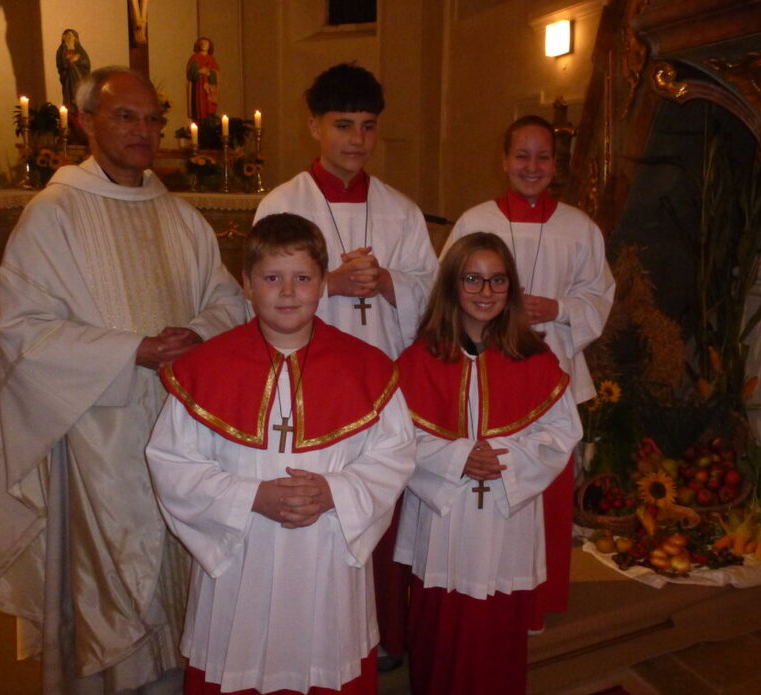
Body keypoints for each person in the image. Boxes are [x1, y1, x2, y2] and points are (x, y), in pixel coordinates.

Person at [0, 66, 248, 695]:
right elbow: (24, 331)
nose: (144, 130)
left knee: (183, 571)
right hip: (98, 431)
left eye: (153, 118)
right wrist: (134, 350)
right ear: (85, 122)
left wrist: (196, 335)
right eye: (125, 116)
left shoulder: (180, 216)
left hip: (181, 423)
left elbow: (225, 299)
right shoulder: (53, 215)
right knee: (116, 581)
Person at [145, 213, 417, 694]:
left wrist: (336, 492)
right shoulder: (203, 370)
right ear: (247, 285)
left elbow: (393, 455)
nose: (288, 292)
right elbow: (173, 464)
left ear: (321, 284)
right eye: (272, 278)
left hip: (328, 552)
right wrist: (251, 496)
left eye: (303, 278)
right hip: (242, 552)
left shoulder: (368, 369)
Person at [253, 62, 438, 669]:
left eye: (367, 126)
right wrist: (327, 282)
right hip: (306, 384)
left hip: (380, 381)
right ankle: (308, 638)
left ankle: (380, 635)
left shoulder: (401, 210)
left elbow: (431, 293)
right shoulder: (283, 203)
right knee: (317, 504)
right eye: (342, 125)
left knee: (374, 501)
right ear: (313, 125)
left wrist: (388, 282)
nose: (356, 139)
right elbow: (262, 289)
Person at [440, 115, 615, 630]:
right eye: (522, 156)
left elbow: (599, 294)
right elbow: (449, 289)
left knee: (547, 494)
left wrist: (558, 308)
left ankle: (536, 602)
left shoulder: (579, 227)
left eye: (543, 157)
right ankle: (487, 595)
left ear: (555, 164)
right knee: (492, 490)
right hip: (485, 380)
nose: (532, 167)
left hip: (551, 375)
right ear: (504, 160)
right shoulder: (474, 221)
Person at [394, 232, 582, 695]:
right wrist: (457, 457)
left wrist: (505, 460)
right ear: (452, 286)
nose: (484, 292)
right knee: (440, 628)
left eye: (497, 280)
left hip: (506, 514)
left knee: (498, 629)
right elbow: (395, 440)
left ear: (511, 288)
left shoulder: (535, 358)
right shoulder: (419, 360)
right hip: (444, 519)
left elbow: (562, 433)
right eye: (472, 279)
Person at [56, 28, 91, 111]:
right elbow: (62, 64)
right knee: (69, 97)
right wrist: (69, 63)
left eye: (71, 36)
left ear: (75, 38)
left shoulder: (80, 50)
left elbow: (86, 63)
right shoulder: (62, 49)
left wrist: (76, 61)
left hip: (79, 78)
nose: (69, 38)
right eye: (67, 36)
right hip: (68, 79)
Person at [186, 36, 219, 122]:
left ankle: (209, 118)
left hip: (209, 86)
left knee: (208, 103)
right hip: (199, 86)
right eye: (202, 43)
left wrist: (209, 72)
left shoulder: (211, 59)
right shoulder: (195, 57)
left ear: (209, 46)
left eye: (206, 43)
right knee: (200, 103)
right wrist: (200, 71)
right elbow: (191, 72)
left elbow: (216, 73)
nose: (204, 45)